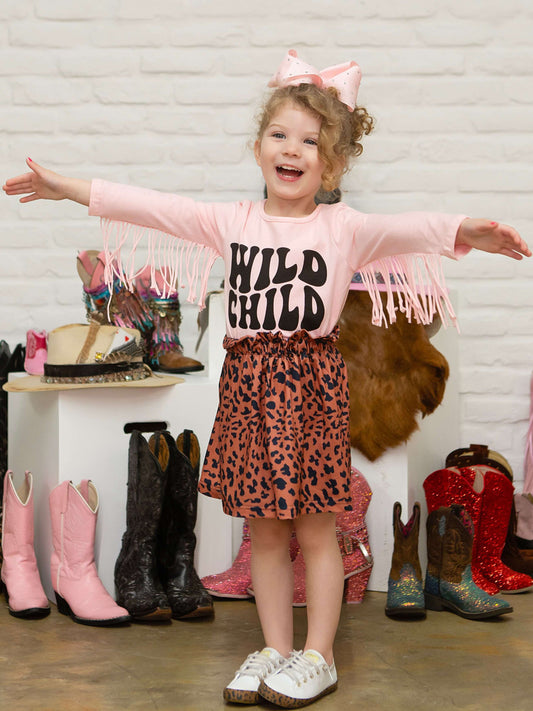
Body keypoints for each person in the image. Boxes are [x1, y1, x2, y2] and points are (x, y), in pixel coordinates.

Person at [3, 49, 530, 708]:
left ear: (331, 164)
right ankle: (278, 647)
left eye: (310, 142)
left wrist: (465, 229)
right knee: (266, 531)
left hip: (309, 390)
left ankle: (319, 654)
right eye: (280, 135)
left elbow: (410, 228)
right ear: (258, 149)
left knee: (315, 528)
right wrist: (69, 186)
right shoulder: (233, 222)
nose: (292, 149)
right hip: (247, 388)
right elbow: (152, 206)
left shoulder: (343, 228)